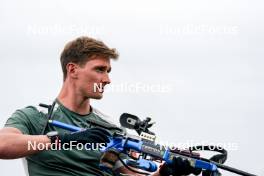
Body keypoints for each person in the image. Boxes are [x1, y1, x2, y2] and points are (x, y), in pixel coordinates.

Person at [0, 36, 200, 176]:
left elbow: (131, 174)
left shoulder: (111, 129)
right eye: (100, 70)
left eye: (108, 71)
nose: (107, 79)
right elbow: (3, 145)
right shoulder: (36, 116)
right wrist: (64, 140)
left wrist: (164, 172)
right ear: (73, 69)